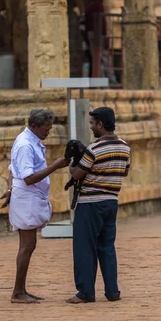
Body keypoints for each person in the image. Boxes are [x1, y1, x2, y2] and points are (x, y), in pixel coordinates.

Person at [0, 109, 69, 304]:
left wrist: (10, 189)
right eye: (46, 129)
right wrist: (56, 166)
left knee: (29, 245)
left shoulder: (30, 141)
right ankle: (17, 292)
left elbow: (13, 171)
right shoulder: (24, 144)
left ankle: (21, 289)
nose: (48, 132)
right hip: (27, 198)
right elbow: (28, 177)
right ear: (34, 126)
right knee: (26, 246)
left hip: (27, 196)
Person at [66, 107, 131, 304]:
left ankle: (86, 292)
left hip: (90, 204)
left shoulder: (94, 150)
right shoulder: (125, 147)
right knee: (107, 247)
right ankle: (112, 291)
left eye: (93, 123)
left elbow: (77, 174)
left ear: (100, 125)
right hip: (111, 202)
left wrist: (71, 163)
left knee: (85, 248)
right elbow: (125, 172)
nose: (92, 127)